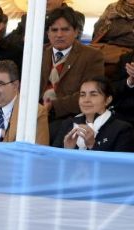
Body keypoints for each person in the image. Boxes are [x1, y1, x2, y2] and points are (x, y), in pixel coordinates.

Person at [40, 6, 104, 137]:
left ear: (76, 32)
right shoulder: (37, 52)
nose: (59, 35)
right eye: (54, 30)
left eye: (65, 29)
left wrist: (53, 106)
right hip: (34, 114)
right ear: (47, 33)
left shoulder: (92, 56)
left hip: (69, 118)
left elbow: (90, 96)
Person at [53, 76, 134, 151]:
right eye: (82, 95)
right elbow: (53, 161)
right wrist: (67, 149)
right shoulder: (68, 124)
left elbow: (120, 164)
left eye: (93, 95)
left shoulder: (122, 129)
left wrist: (92, 145)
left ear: (107, 100)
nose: (86, 100)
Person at [4, 0, 84, 49]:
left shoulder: (76, 16)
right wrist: (24, 39)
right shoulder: (29, 17)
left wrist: (30, 39)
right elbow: (9, 40)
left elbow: (68, 41)